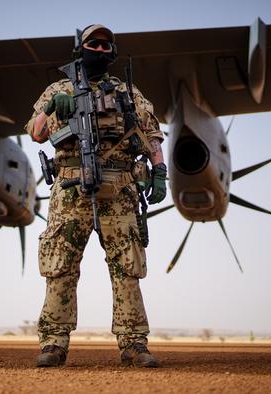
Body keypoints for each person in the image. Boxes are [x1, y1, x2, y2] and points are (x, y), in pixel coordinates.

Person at [25, 24, 167, 368]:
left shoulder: (128, 92)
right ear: (80, 48)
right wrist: (53, 108)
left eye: (106, 45)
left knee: (127, 267)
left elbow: (152, 135)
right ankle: (54, 343)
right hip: (71, 187)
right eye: (93, 44)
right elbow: (36, 134)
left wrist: (159, 171)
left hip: (119, 188)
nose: (100, 50)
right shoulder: (59, 89)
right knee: (60, 265)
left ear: (113, 53)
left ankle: (133, 342)